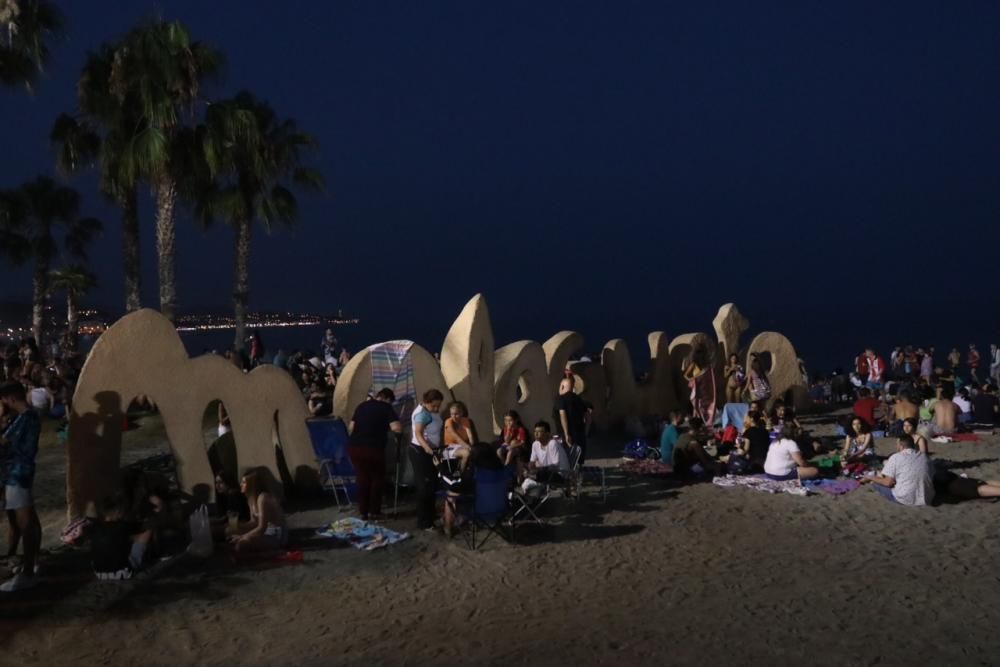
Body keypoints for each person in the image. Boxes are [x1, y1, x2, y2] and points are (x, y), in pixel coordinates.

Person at [0, 381, 42, 591]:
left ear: (10, 398)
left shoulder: (25, 418)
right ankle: (31, 563)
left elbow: (4, 443)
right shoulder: (28, 416)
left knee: (25, 522)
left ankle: (27, 573)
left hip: (17, 474)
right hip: (19, 473)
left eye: (4, 400)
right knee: (30, 520)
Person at [348, 388, 402, 521]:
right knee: (376, 480)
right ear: (388, 399)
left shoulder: (361, 406)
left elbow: (351, 427)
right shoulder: (386, 408)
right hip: (373, 448)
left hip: (355, 447)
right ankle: (374, 512)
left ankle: (363, 512)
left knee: (362, 479)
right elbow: (397, 428)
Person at [860, 435, 933, 506]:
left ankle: (871, 481)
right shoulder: (924, 457)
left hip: (905, 498)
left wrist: (870, 477)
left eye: (897, 444)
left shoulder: (896, 457)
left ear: (901, 446)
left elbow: (888, 483)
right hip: (927, 497)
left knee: (875, 483)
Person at [409, 389, 444, 531]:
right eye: (434, 406)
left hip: (430, 450)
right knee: (424, 486)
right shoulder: (422, 414)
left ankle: (430, 515)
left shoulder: (429, 411)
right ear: (426, 402)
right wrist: (427, 448)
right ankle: (424, 522)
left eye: (438, 406)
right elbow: (418, 433)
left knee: (432, 484)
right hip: (420, 452)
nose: (436, 409)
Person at [229, 469, 287, 553]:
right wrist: (237, 525)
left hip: (276, 534)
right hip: (266, 531)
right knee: (229, 531)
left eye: (244, 482)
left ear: (252, 485)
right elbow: (254, 522)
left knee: (241, 544)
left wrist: (242, 536)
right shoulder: (250, 498)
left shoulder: (263, 498)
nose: (241, 484)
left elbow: (261, 528)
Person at [556, 377, 591, 463]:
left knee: (569, 461)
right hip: (580, 434)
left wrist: (566, 433)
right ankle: (579, 476)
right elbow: (588, 417)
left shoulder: (561, 399)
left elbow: (562, 415)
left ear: (563, 387)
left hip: (569, 435)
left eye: (560, 386)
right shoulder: (579, 399)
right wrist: (586, 431)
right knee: (579, 461)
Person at [442, 401, 477, 474]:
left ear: (461, 413)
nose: (453, 416)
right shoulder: (448, 422)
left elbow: (470, 436)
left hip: (462, 446)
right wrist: (469, 447)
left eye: (456, 414)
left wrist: (472, 445)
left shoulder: (465, 420)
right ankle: (460, 472)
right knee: (466, 453)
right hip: (449, 447)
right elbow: (457, 438)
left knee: (475, 451)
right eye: (451, 414)